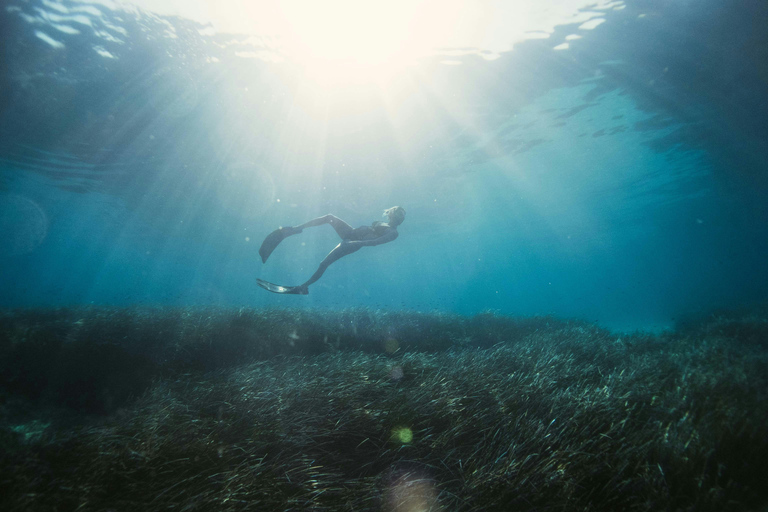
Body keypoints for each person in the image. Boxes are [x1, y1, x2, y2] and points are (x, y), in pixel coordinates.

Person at [257, 206, 406, 295]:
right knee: (329, 217)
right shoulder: (385, 224)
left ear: (400, 220)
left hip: (352, 242)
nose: (396, 216)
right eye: (396, 213)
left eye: (399, 215)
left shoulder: (393, 233)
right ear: (391, 214)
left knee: (324, 264)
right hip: (351, 233)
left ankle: (304, 287)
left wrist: (355, 242)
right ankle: (296, 229)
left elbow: (374, 242)